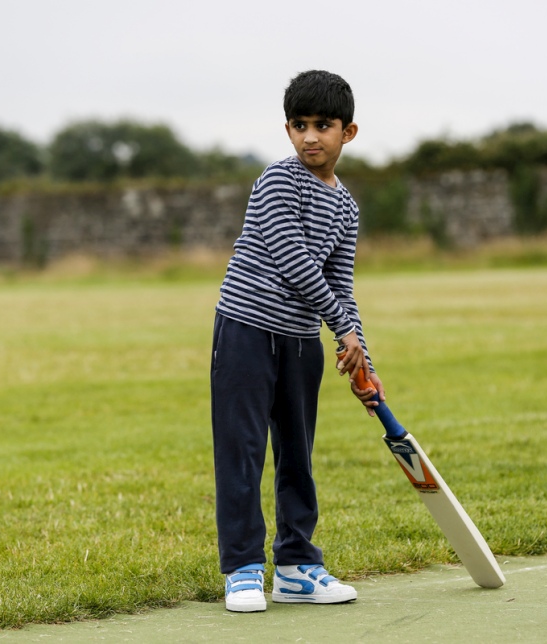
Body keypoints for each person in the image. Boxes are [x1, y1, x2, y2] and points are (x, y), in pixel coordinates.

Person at [209, 70, 385, 613]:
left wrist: (362, 359)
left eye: (323, 126)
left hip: (302, 340)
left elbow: (340, 283)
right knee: (241, 450)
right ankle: (242, 569)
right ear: (288, 130)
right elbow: (295, 263)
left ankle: (296, 566)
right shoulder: (278, 181)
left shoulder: (347, 206)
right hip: (245, 329)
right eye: (299, 125)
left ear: (347, 133)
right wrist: (343, 327)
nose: (310, 137)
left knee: (297, 456)